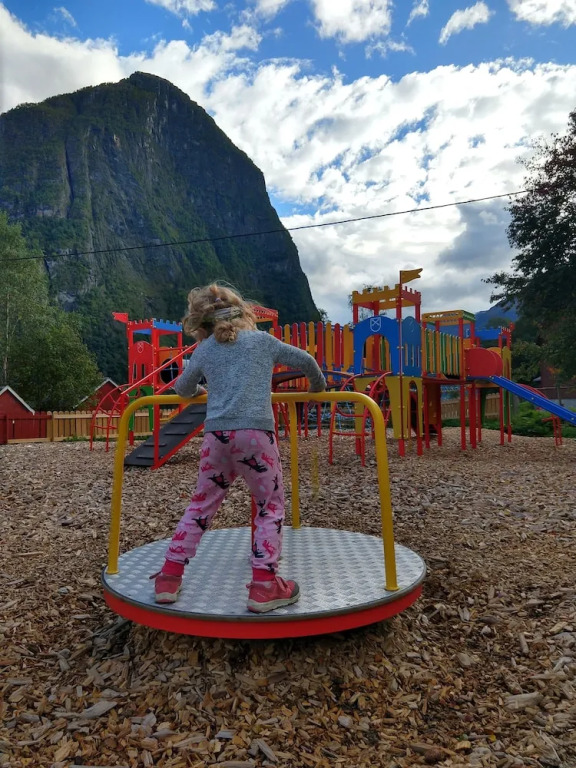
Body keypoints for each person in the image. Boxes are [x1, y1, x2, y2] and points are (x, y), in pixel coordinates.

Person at [153, 283, 327, 613]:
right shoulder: (263, 341)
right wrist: (319, 388)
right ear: (245, 312)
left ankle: (169, 577)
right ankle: (264, 585)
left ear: (202, 324)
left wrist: (203, 390)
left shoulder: (205, 350)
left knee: (200, 506)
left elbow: (182, 388)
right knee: (269, 506)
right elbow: (306, 361)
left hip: (216, 438)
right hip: (256, 436)